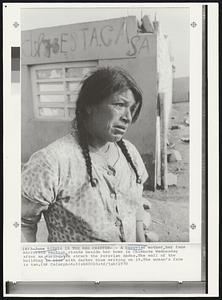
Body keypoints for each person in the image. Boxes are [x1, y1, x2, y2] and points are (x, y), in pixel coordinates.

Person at [21, 67, 157, 243]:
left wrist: (140, 252)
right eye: (119, 105)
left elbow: (135, 205)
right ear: (89, 105)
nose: (128, 117)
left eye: (132, 109)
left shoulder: (130, 152)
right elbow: (21, 223)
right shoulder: (52, 162)